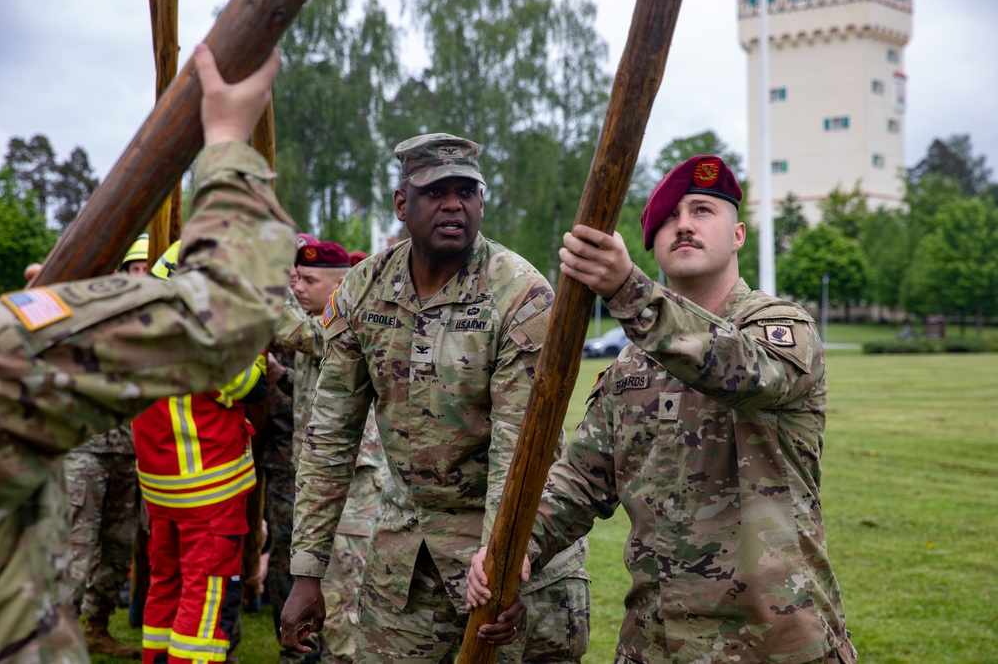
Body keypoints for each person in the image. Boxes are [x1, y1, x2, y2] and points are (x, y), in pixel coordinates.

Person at [467, 155, 857, 664]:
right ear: (652, 244)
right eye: (669, 218)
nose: (685, 225)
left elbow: (744, 372)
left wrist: (628, 292)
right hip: (656, 644)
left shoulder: (781, 329)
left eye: (702, 210)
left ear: (738, 234)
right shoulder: (631, 367)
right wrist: (513, 549)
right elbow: (578, 482)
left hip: (774, 642)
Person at [0, 43, 294, 664]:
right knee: (203, 601)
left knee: (165, 589)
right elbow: (228, 337)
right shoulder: (14, 353)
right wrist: (228, 146)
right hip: (208, 476)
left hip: (162, 481)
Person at [280, 133, 590, 663]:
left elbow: (519, 451)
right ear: (402, 204)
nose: (453, 204)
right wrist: (308, 572)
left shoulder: (519, 293)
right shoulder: (363, 290)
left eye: (466, 191)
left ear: (482, 203)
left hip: (509, 563)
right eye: (435, 191)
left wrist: (504, 567)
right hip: (407, 566)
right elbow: (330, 434)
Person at [130, 238, 268, 664]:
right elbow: (253, 385)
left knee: (164, 585)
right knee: (203, 599)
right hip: (209, 493)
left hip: (160, 490)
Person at [267, 241, 387, 664]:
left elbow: (294, 331)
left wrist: (266, 276)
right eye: (295, 278)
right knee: (314, 592)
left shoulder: (343, 322)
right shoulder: (320, 322)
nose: (299, 287)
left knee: (341, 603)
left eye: (309, 281)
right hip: (320, 481)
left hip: (352, 488)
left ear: (341, 283)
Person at [61, 235, 150, 659]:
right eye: (134, 268)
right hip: (86, 450)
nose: (140, 275)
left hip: (130, 454)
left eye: (147, 268)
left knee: (117, 549)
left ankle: (96, 628)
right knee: (77, 548)